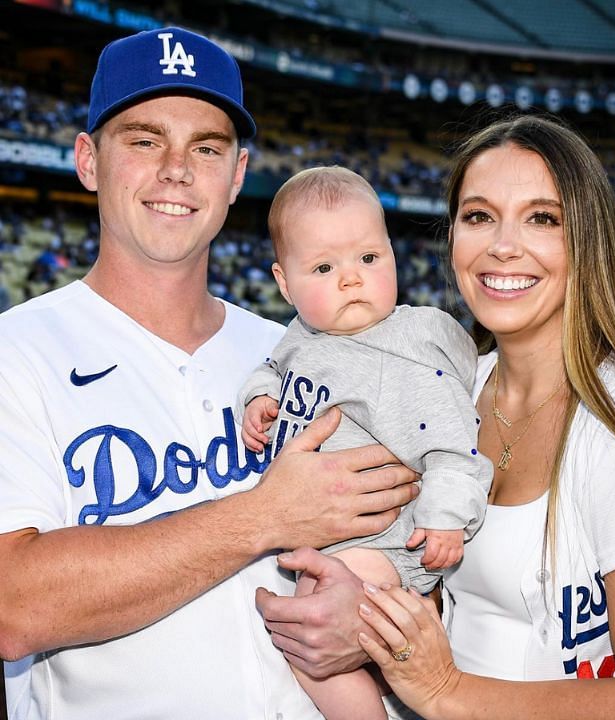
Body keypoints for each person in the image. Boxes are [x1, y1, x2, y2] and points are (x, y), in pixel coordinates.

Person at [0, 27, 418, 719]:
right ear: (87, 161)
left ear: (236, 175)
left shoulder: (302, 352)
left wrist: (372, 619)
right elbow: (14, 605)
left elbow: (412, 543)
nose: (176, 168)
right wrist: (262, 516)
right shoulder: (16, 350)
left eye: (206, 147)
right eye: (143, 140)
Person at [255, 115, 615, 719]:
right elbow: (442, 604)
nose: (502, 245)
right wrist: (363, 617)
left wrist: (443, 693)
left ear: (586, 237)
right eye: (479, 216)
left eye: (542, 218)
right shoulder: (445, 386)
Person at [237, 165, 492, 719]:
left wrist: (448, 517)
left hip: (389, 539)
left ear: (393, 257)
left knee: (312, 628)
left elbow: (456, 445)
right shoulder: (303, 335)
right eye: (325, 267)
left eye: (368, 259)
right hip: (331, 537)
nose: (351, 279)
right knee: (313, 630)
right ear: (285, 284)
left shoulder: (406, 353)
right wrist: (256, 401)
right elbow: (270, 367)